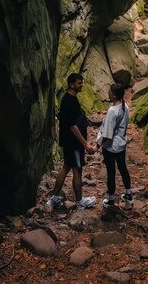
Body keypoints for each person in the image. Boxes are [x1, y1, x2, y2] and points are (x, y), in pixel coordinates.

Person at [47, 73, 96, 210]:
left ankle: (55, 198)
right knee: (77, 170)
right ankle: (80, 202)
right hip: (74, 144)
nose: (82, 85)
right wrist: (85, 144)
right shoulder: (68, 101)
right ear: (71, 84)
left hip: (70, 143)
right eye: (79, 83)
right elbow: (72, 126)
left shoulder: (71, 99)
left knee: (66, 167)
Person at [95, 83, 133, 208]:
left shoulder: (112, 111)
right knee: (123, 168)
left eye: (110, 91)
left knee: (111, 172)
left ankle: (111, 200)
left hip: (111, 147)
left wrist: (97, 146)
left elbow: (107, 135)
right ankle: (128, 194)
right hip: (121, 145)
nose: (108, 93)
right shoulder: (125, 106)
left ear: (114, 94)